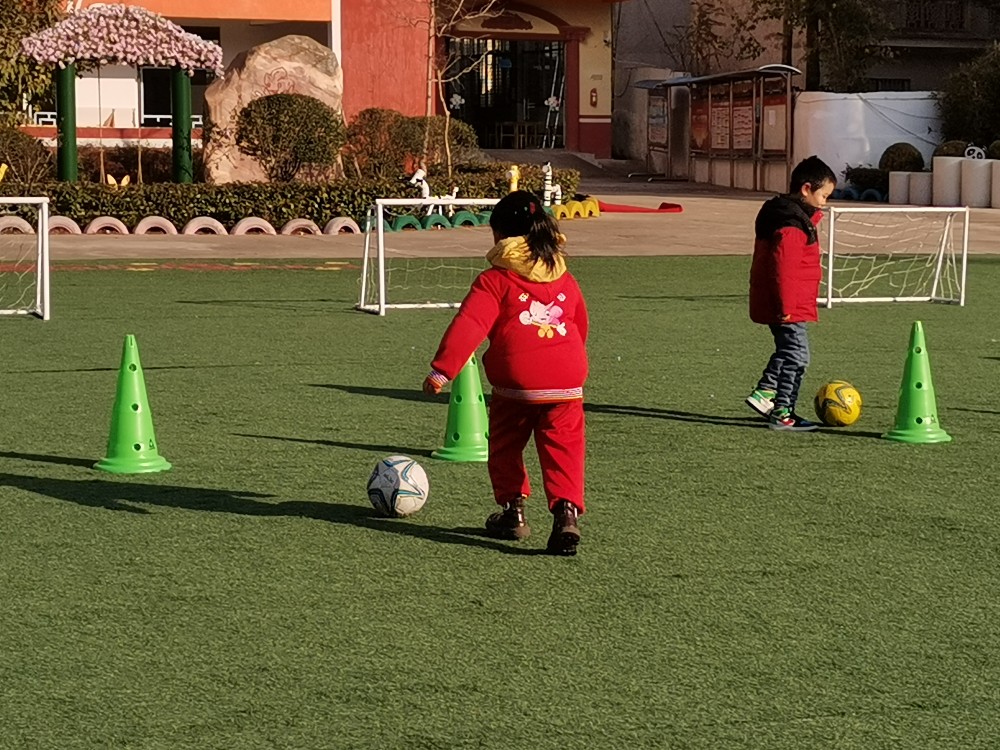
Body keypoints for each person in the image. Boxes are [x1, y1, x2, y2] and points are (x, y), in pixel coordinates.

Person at [422, 191, 589, 555]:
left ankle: (513, 511)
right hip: (567, 380)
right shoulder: (565, 278)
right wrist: (566, 365)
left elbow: (469, 325)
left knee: (505, 446)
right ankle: (566, 512)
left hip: (517, 382)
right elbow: (580, 326)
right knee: (565, 448)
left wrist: (442, 371)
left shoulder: (495, 280)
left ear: (501, 235)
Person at [746, 155, 836, 431]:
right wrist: (785, 306)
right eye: (823, 195)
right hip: (788, 305)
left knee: (787, 350)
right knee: (798, 356)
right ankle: (783, 411)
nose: (825, 202)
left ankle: (765, 392)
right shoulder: (791, 224)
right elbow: (783, 268)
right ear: (806, 189)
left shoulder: (790, 216)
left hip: (789, 302)